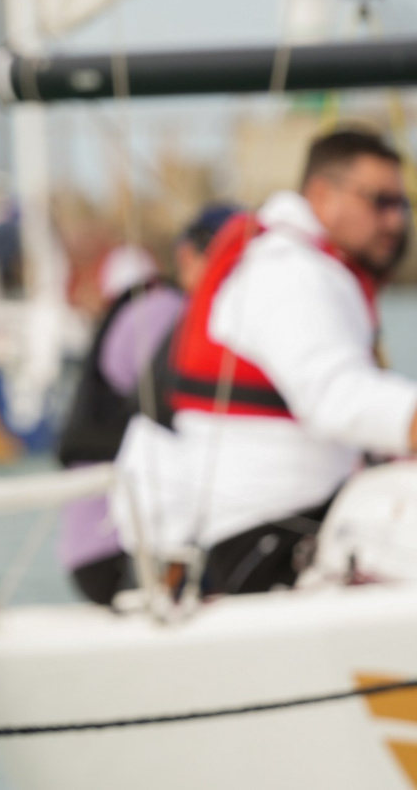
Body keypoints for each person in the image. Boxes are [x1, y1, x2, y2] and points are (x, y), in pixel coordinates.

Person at [114, 128, 417, 596]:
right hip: (267, 544)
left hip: (298, 524)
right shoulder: (288, 273)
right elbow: (336, 397)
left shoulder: (302, 265)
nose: (396, 221)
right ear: (321, 194)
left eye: (403, 205)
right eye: (380, 202)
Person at [53, 206, 234, 603]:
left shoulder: (147, 309)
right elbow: (178, 406)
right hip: (118, 548)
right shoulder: (159, 312)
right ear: (188, 259)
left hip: (106, 542)